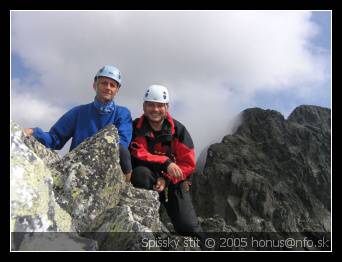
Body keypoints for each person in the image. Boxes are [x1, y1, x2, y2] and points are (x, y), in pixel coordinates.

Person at [23, 65, 133, 181]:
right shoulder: (79, 112)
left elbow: (122, 143)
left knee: (122, 150)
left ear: (117, 90)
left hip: (106, 172)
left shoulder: (122, 114)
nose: (108, 88)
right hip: (77, 170)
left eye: (112, 85)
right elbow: (55, 139)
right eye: (104, 83)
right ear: (94, 85)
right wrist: (34, 132)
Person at [129, 84, 205, 246]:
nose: (155, 109)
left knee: (188, 226)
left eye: (159, 105)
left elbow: (187, 164)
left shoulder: (178, 131)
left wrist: (166, 178)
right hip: (147, 179)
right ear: (144, 106)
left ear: (167, 107)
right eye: (150, 105)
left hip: (174, 183)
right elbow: (138, 152)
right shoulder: (136, 127)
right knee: (140, 174)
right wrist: (166, 162)